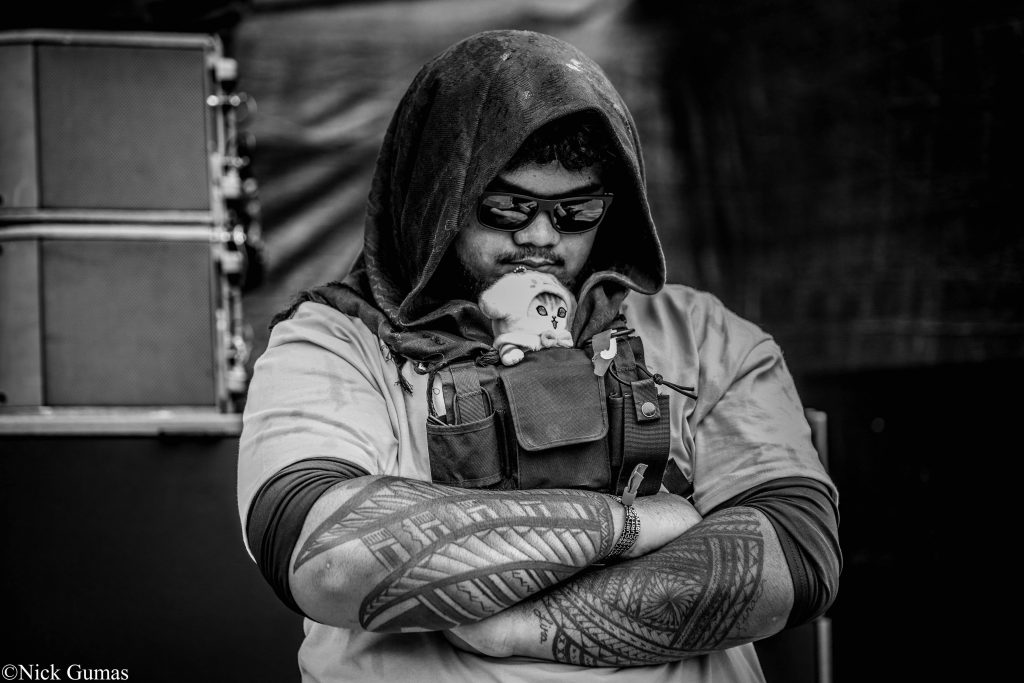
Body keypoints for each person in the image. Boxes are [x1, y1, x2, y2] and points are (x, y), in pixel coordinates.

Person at [237, 29, 841, 683]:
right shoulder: (333, 342)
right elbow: (330, 560)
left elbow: (794, 557)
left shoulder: (705, 336)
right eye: (506, 206)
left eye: (577, 210)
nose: (540, 235)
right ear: (437, 197)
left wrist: (511, 631)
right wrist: (638, 521)